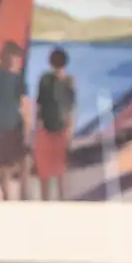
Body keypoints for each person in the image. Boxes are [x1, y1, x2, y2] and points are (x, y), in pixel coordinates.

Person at [0, 40, 32, 200]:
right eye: (16, 58)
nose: (16, 62)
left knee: (5, 167)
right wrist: (28, 130)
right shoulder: (17, 79)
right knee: (22, 163)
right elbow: (25, 107)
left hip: (0, 127)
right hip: (14, 126)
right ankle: (23, 198)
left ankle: (8, 199)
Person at [34, 47, 76, 200]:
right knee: (59, 175)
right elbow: (71, 110)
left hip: (47, 131)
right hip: (59, 132)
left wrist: (35, 132)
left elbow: (38, 108)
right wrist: (70, 133)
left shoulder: (45, 80)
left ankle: (48, 207)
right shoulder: (69, 82)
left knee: (47, 176)